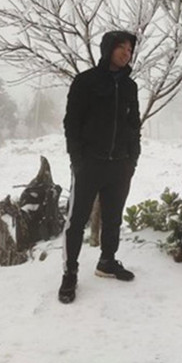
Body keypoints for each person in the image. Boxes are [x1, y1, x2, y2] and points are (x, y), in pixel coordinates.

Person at [58, 30, 141, 304]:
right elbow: (72, 123)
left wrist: (132, 159)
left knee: (113, 218)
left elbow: (134, 126)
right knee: (77, 220)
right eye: (121, 48)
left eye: (129, 49)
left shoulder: (130, 87)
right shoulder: (86, 82)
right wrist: (77, 160)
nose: (126, 53)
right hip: (89, 164)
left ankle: (107, 261)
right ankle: (70, 273)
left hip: (119, 165)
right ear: (108, 49)